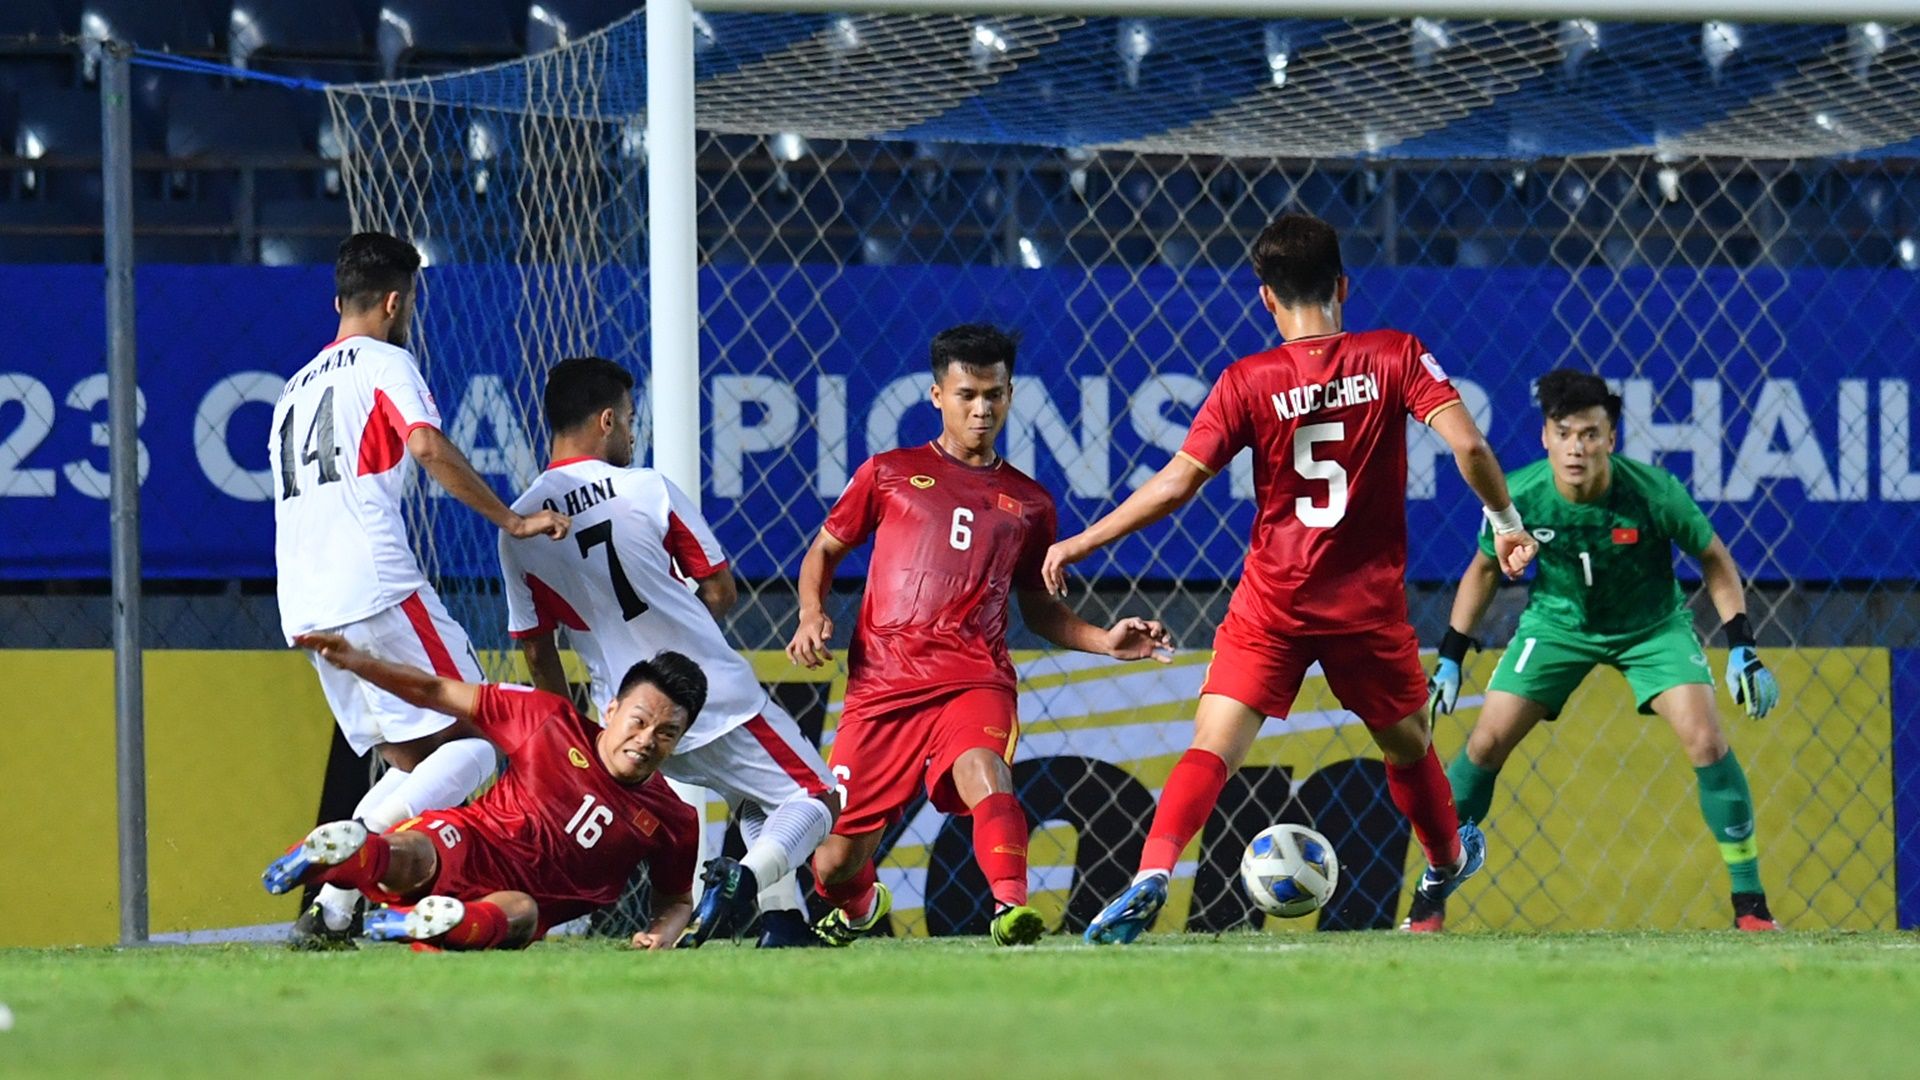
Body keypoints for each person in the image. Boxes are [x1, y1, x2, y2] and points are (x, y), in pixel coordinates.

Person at [1043, 213, 1537, 945]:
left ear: (1266, 300)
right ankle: (1445, 861)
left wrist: (1082, 540)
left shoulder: (1248, 380)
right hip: (1365, 607)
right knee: (1409, 748)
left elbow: (1177, 486)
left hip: (1273, 599)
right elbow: (1468, 444)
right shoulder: (1395, 354)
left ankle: (1152, 870)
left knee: (1211, 745)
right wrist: (1505, 522)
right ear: (1343, 286)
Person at [788, 323, 1174, 948]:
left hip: (974, 676)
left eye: (993, 394)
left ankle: (1010, 910)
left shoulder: (1030, 502)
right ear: (937, 395)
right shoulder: (888, 474)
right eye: (967, 393)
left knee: (984, 771)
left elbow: (1038, 607)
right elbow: (824, 551)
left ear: (1011, 395)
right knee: (832, 863)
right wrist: (811, 613)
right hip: (880, 688)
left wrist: (1106, 640)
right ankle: (859, 905)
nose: (981, 408)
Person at [268, 232, 570, 947]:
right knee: (478, 739)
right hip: (374, 585)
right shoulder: (385, 360)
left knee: (413, 762)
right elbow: (427, 445)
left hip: (304, 602)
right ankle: (341, 868)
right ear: (397, 301)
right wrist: (512, 519)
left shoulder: (292, 387)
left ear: (340, 299)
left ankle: (332, 910)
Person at [1415, 369, 1782, 932]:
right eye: (1563, 433)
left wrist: (1742, 646)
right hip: (1557, 624)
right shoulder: (1521, 495)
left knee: (1706, 739)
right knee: (1485, 741)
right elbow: (1485, 569)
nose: (1576, 447)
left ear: (1611, 439)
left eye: (1589, 434)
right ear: (1545, 437)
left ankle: (1750, 906)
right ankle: (1431, 896)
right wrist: (1450, 655)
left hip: (1651, 628)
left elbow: (1714, 558)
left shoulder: (1652, 492)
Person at [499, 356, 839, 948]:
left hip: (631, 719)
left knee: (754, 795)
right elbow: (720, 589)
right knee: (816, 795)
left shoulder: (519, 527)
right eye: (631, 419)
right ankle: (746, 883)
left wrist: (571, 733)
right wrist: (678, 628)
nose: (634, 432)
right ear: (607, 420)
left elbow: (536, 651)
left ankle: (784, 923)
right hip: (708, 693)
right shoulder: (646, 487)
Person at [263, 638, 703, 951]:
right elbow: (435, 690)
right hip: (471, 841)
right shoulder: (547, 720)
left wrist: (663, 930)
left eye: (667, 733)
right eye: (639, 721)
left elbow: (676, 900)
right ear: (612, 710)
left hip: (521, 902)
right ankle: (341, 856)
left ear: (680, 739)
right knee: (411, 852)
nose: (647, 740)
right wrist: (361, 663)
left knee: (520, 911)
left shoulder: (674, 819)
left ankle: (421, 919)